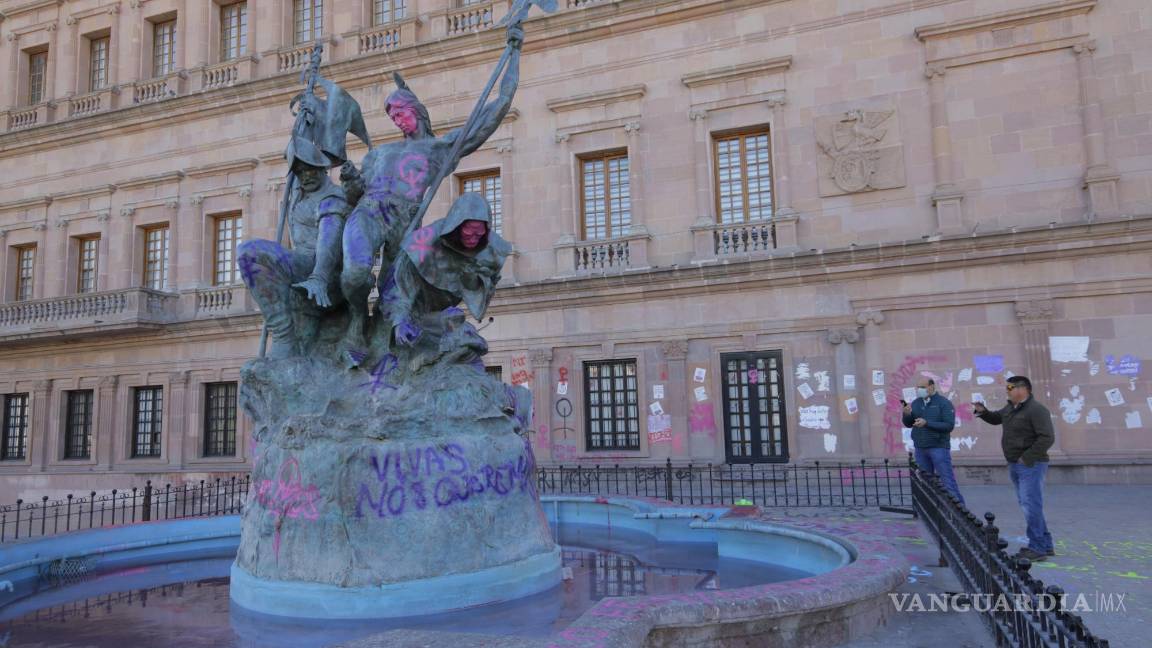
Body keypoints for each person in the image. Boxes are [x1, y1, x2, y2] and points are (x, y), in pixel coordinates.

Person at [334, 23, 524, 367]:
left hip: (404, 226)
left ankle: (389, 350)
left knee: (394, 291)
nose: (397, 120)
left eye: (400, 112)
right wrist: (350, 182)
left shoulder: (438, 150)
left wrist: (513, 55)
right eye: (392, 116)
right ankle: (356, 321)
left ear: (417, 111)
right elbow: (354, 195)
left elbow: (495, 110)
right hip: (369, 210)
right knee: (356, 272)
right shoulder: (379, 154)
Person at [973, 375, 1056, 561]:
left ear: (1022, 389)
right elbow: (997, 418)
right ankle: (1045, 544)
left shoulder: (1037, 410)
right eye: (1007, 387)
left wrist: (1026, 458)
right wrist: (983, 412)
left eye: (1010, 388)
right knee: (1030, 504)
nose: (1007, 391)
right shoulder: (1011, 407)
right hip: (1015, 463)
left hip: (1031, 464)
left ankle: (1037, 548)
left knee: (1030, 505)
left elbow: (1047, 438)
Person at [903, 377, 964, 504]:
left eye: (923, 387)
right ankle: (932, 509)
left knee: (947, 482)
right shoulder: (916, 403)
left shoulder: (944, 403)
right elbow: (908, 424)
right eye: (918, 387)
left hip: (938, 447)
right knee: (925, 482)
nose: (919, 390)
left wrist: (927, 423)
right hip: (920, 448)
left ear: (932, 387)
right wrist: (906, 414)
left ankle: (960, 512)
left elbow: (948, 425)